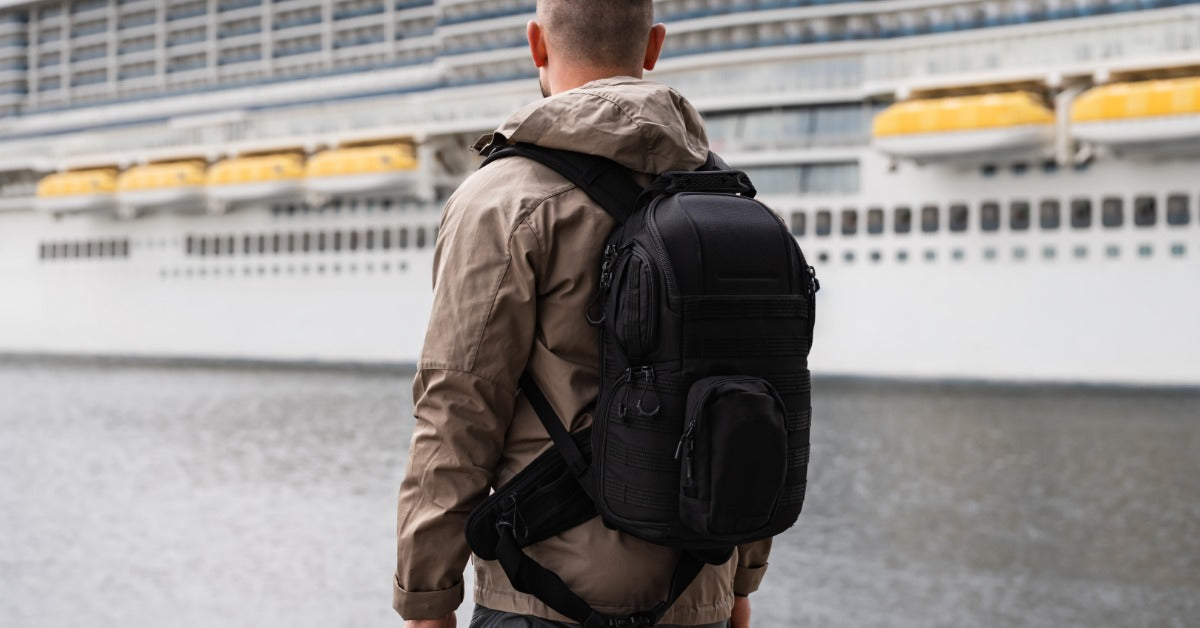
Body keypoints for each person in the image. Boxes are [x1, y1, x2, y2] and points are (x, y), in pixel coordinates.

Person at [394, 2, 770, 626]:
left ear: (535, 43)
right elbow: (760, 399)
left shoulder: (501, 202)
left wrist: (427, 598)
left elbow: (457, 408)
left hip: (541, 598)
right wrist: (741, 578)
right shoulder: (732, 204)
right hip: (700, 590)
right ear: (653, 47)